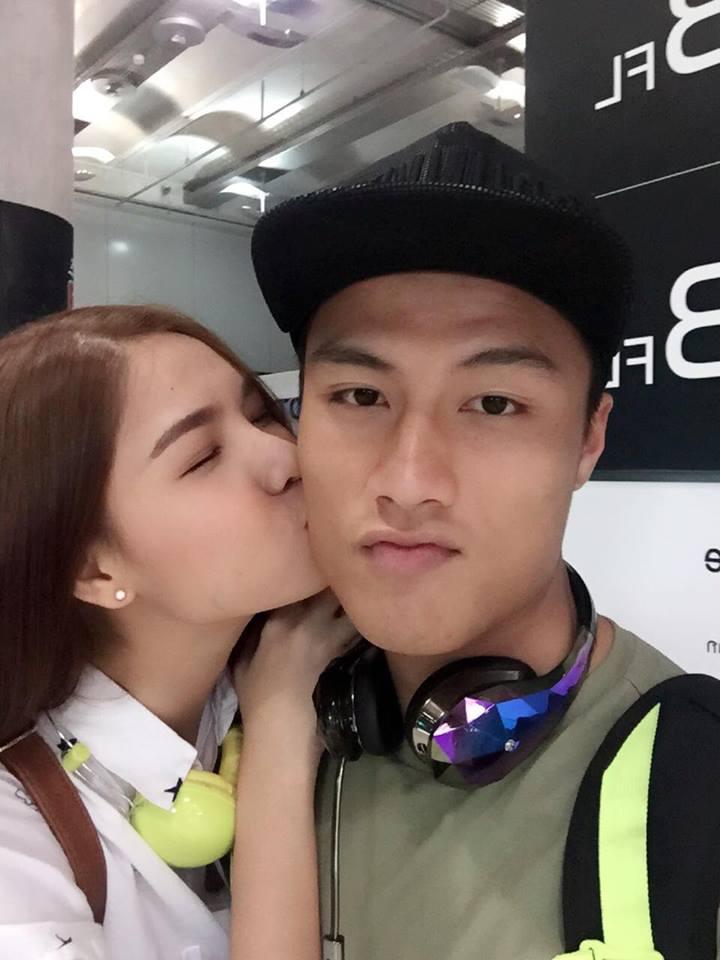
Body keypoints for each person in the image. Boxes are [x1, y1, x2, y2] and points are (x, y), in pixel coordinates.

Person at [251, 123, 688, 959]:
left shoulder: (691, 794)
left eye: (493, 404)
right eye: (360, 396)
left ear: (589, 439)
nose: (408, 480)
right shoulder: (240, 710)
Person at [0, 304, 357, 960]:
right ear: (93, 569)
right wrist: (280, 731)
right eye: (203, 457)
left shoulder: (344, 670)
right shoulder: (16, 838)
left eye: (259, 413)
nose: (288, 456)